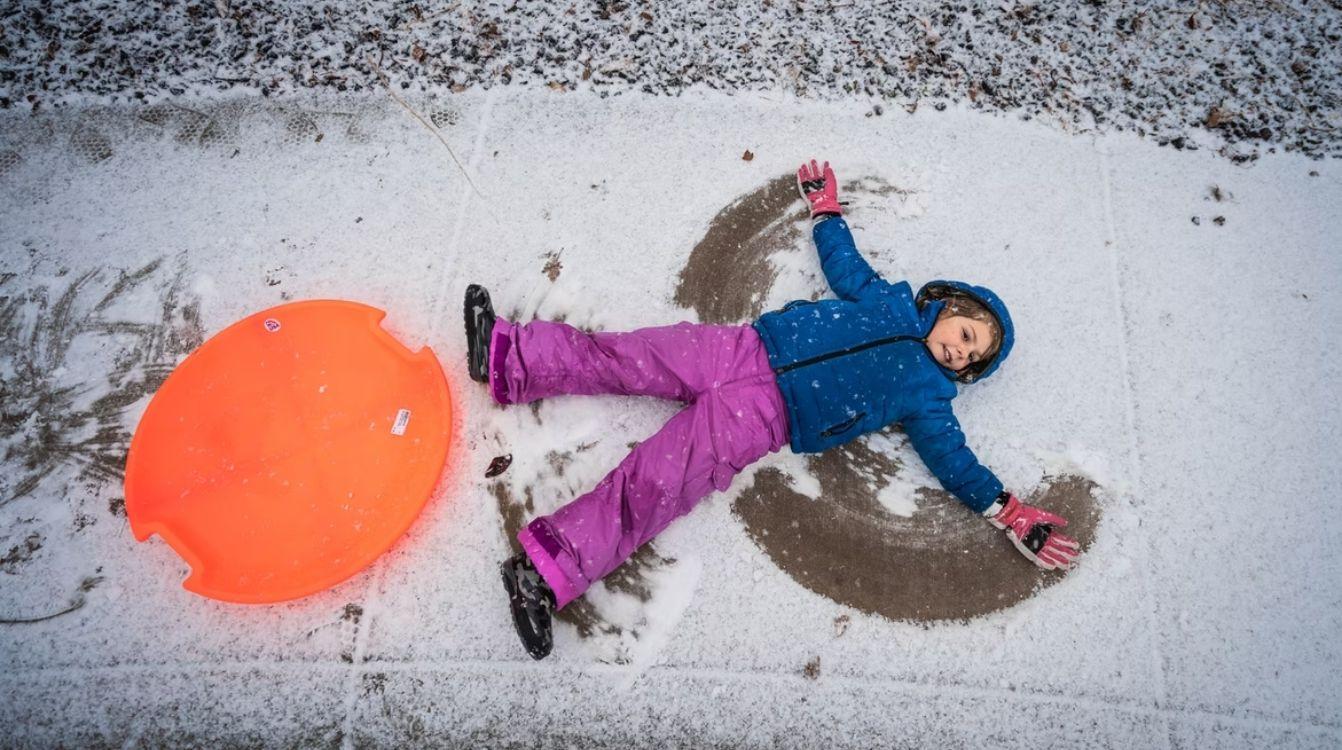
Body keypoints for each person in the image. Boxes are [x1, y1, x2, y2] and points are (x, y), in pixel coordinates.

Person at [466, 159, 1080, 660]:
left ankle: (544, 576)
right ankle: (507, 356)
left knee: (653, 484)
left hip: (763, 419)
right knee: (629, 354)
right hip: (741, 348)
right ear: (948, 304)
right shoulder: (888, 300)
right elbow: (846, 265)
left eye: (970, 356)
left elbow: (955, 462)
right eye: (966, 330)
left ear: (965, 374)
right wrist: (827, 211)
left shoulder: (928, 397)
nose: (958, 346)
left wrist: (1010, 511)